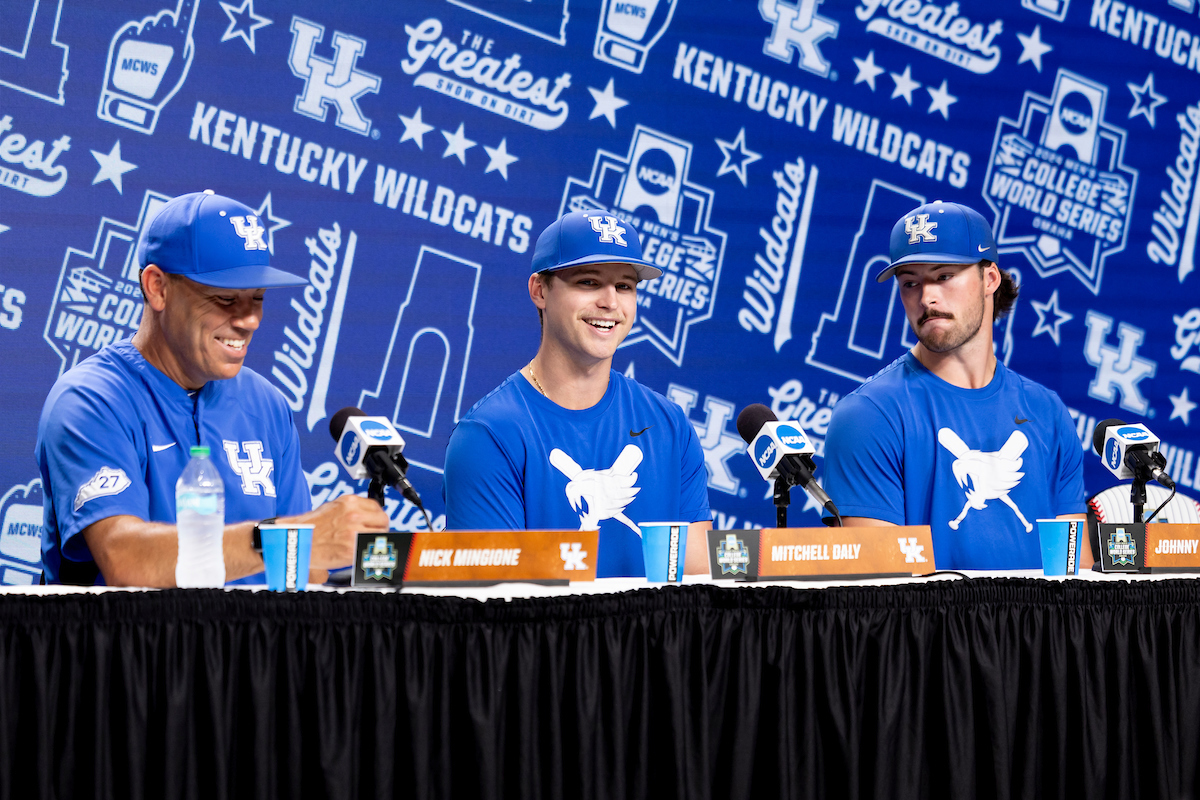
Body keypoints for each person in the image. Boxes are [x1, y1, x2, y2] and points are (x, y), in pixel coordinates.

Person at [36, 190, 389, 586]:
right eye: (225, 298)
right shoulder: (91, 400)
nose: (250, 320)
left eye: (257, 298)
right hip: (131, 644)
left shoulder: (267, 405)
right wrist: (277, 539)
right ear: (157, 288)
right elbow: (125, 559)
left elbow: (302, 571)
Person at [820, 201, 1089, 569]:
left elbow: (1072, 571)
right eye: (910, 283)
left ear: (989, 279)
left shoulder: (1047, 412)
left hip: (1041, 627)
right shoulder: (868, 416)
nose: (926, 297)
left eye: (944, 275)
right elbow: (877, 592)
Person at [442, 210, 712, 577]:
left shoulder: (669, 424)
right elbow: (498, 605)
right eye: (588, 282)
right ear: (540, 290)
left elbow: (697, 579)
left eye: (625, 287)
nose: (610, 302)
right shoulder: (488, 435)